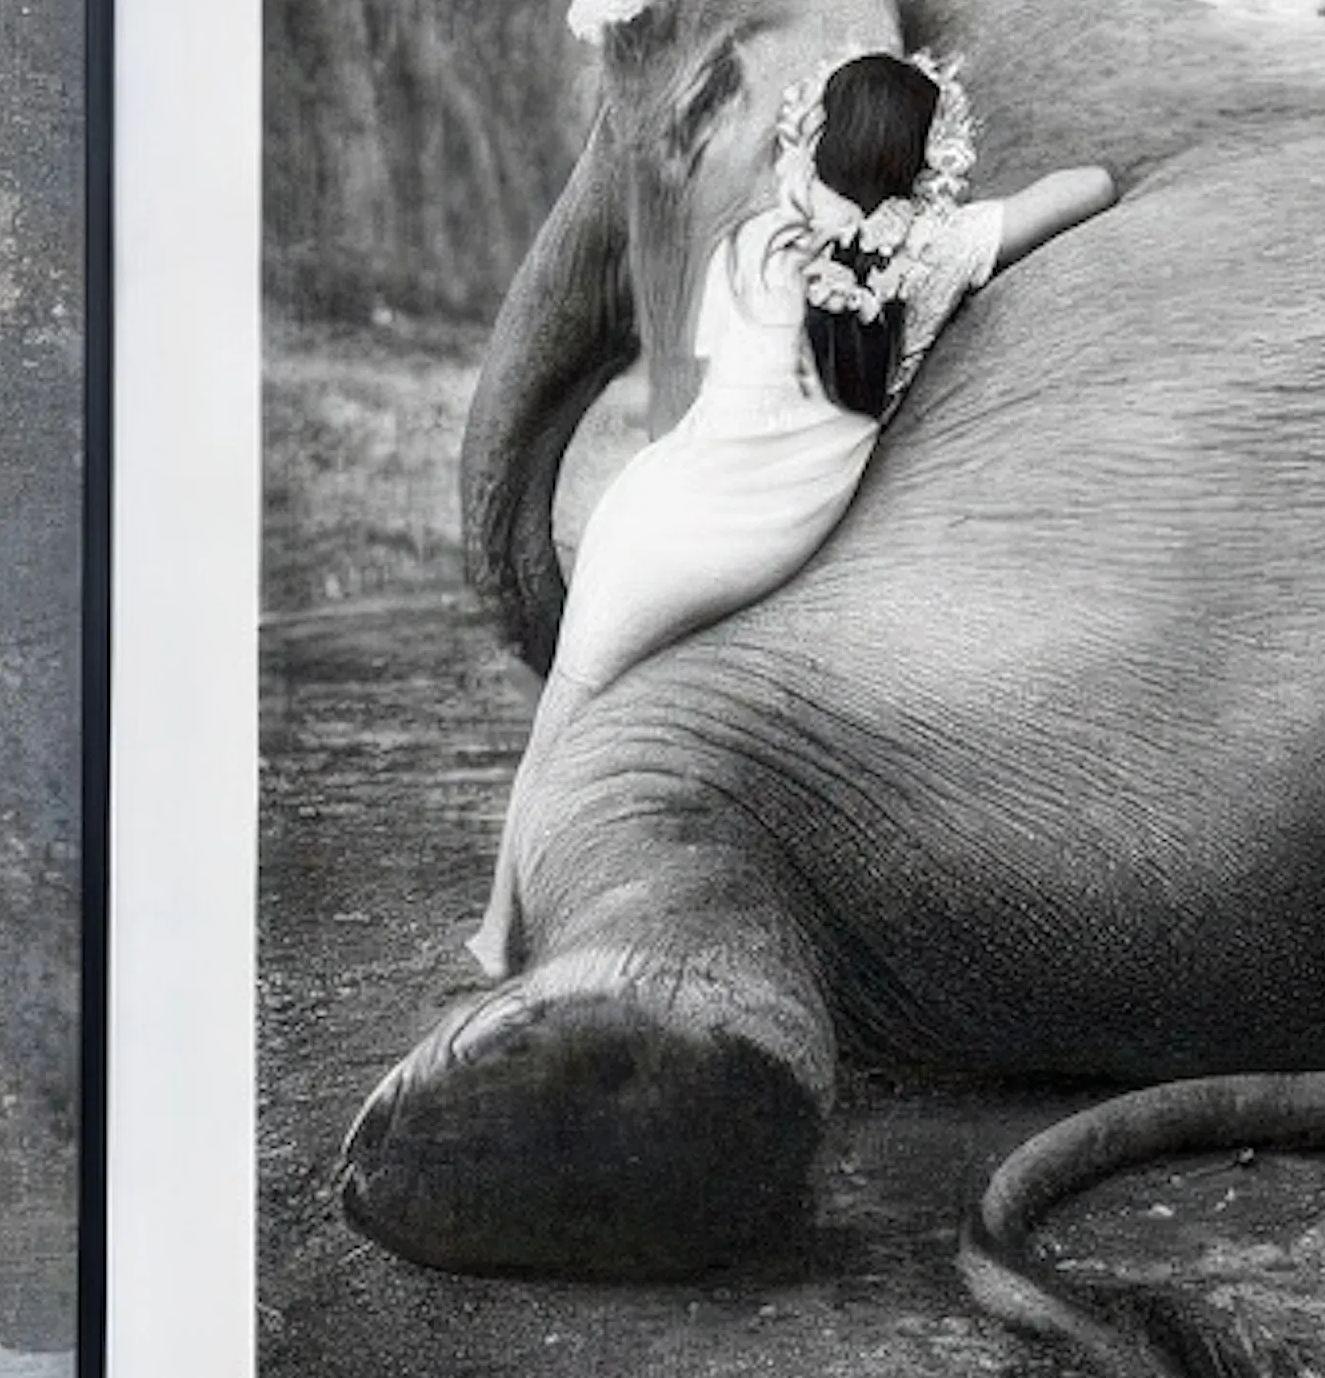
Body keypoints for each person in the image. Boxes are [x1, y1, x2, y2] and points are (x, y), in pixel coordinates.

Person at [456, 51, 1115, 977]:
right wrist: (931, 207)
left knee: (561, 717)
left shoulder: (755, 243)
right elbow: (1091, 184)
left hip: (666, 521)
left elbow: (706, 381)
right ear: (923, 161)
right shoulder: (933, 252)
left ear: (819, 140)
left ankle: (496, 932)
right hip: (775, 540)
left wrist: (798, 177)